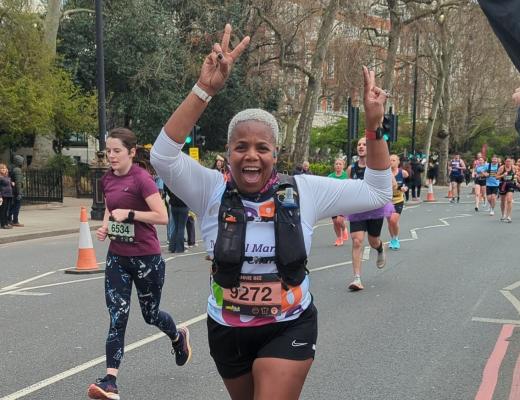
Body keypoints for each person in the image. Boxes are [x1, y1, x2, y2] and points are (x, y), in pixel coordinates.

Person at [150, 24, 391, 400]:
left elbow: (377, 191)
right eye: (240, 147)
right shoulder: (211, 190)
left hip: (289, 325)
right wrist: (204, 91)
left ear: (275, 155)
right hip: (227, 329)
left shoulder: (304, 191)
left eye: (262, 147)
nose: (251, 155)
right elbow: (162, 155)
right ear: (228, 153)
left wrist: (375, 129)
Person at [87, 128, 191, 400]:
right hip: (118, 258)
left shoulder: (142, 179)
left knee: (150, 315)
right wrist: (106, 226)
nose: (111, 156)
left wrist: (131, 213)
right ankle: (110, 381)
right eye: (108, 151)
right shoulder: (107, 180)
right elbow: (111, 207)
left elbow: (162, 216)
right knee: (117, 317)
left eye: (117, 151)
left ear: (131, 152)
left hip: (147, 258)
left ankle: (178, 336)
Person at [346, 137, 393, 291]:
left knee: (373, 241)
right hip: (357, 209)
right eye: (359, 144)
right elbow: (348, 187)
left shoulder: (378, 167)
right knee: (357, 241)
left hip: (375, 209)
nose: (361, 146)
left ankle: (380, 248)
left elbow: (390, 183)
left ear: (370, 148)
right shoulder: (351, 169)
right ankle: (357, 278)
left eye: (364, 144)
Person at [387, 155, 408, 250]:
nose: (391, 162)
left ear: (398, 162)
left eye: (393, 160)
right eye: (390, 160)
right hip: (387, 200)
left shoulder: (403, 173)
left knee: (393, 220)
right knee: (389, 222)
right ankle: (392, 239)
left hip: (398, 199)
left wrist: (406, 187)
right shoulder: (385, 173)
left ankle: (395, 238)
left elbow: (408, 183)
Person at [327, 158, 348, 246]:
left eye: (340, 164)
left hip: (343, 201)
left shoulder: (346, 176)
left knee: (339, 220)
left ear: (343, 166)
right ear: (334, 166)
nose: (338, 165)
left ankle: (344, 228)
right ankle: (339, 238)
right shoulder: (330, 176)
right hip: (333, 201)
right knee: (335, 221)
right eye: (336, 164)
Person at [164, 184, 189, 253]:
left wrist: (171, 195)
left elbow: (166, 188)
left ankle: (172, 247)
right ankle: (180, 248)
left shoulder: (172, 180)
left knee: (175, 227)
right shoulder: (184, 181)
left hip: (174, 204)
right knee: (181, 228)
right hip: (183, 205)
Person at [496, 157, 517, 222]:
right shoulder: (502, 168)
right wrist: (502, 175)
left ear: (511, 162)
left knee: (509, 200)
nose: (508, 163)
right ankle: (503, 214)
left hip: (510, 184)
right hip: (503, 185)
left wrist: (516, 180)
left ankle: (509, 216)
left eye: (509, 161)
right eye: (507, 161)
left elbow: (516, 175)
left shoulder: (514, 168)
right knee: (503, 201)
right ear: (505, 162)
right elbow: (496, 177)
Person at [8, 155, 24, 227]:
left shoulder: (11, 168)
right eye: (22, 161)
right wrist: (19, 193)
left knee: (12, 206)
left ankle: (9, 219)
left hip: (12, 190)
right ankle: (15, 220)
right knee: (16, 206)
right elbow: (18, 182)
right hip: (16, 191)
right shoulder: (17, 170)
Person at [0, 163, 13, 229]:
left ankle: (6, 223)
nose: (3, 169)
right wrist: (0, 197)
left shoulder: (6, 177)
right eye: (2, 168)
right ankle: (3, 224)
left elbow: (8, 184)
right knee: (3, 210)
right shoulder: (0, 177)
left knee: (6, 210)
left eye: (4, 168)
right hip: (3, 196)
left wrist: (12, 183)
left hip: (8, 195)